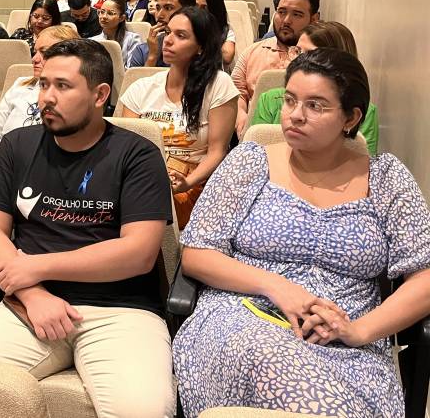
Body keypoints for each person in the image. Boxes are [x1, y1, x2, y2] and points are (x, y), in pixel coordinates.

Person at [172, 47, 430, 417]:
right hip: (245, 319)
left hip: (348, 339)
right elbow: (198, 254)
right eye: (290, 100)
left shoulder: (387, 179)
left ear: (351, 117)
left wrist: (358, 331)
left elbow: (424, 277)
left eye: (315, 106)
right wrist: (277, 287)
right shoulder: (250, 162)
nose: (295, 115)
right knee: (273, 362)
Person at [0, 38, 176, 418]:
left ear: (100, 95)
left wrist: (36, 266)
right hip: (29, 307)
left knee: (143, 411)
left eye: (63, 86)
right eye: (44, 84)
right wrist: (33, 294)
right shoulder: (17, 145)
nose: (47, 97)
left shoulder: (137, 155)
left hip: (120, 312)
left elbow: (138, 254)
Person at [122, 7, 238, 227]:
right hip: (145, 178)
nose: (168, 40)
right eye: (168, 32)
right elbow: (127, 148)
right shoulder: (141, 88)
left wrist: (187, 182)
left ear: (201, 47)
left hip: (194, 184)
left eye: (181, 35)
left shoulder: (218, 84)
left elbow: (217, 151)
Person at [250, 21, 379, 154]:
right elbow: (258, 152)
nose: (298, 61)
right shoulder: (269, 99)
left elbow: (361, 155)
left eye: (310, 55)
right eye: (297, 51)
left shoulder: (363, 111)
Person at [232, 0, 320, 135]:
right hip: (254, 133)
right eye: (281, 12)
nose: (286, 20)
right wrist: (241, 115)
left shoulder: (320, 58)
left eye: (297, 14)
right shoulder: (252, 52)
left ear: (314, 19)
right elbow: (236, 92)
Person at [0, 25, 79, 143]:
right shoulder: (20, 84)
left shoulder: (75, 94)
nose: (34, 59)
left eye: (44, 52)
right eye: (35, 52)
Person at [127, 0, 196, 68]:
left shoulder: (199, 48)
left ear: (188, 10)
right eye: (158, 8)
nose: (159, 15)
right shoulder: (142, 50)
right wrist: (152, 56)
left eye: (168, 8)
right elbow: (135, 77)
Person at [90, 0, 142, 68]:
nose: (104, 16)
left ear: (121, 18)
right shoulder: (92, 41)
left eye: (110, 13)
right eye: (102, 12)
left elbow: (132, 70)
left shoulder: (132, 39)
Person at [196, 0, 235, 70]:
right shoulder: (189, 27)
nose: (198, 11)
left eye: (204, 7)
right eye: (196, 6)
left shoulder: (226, 30)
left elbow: (227, 57)